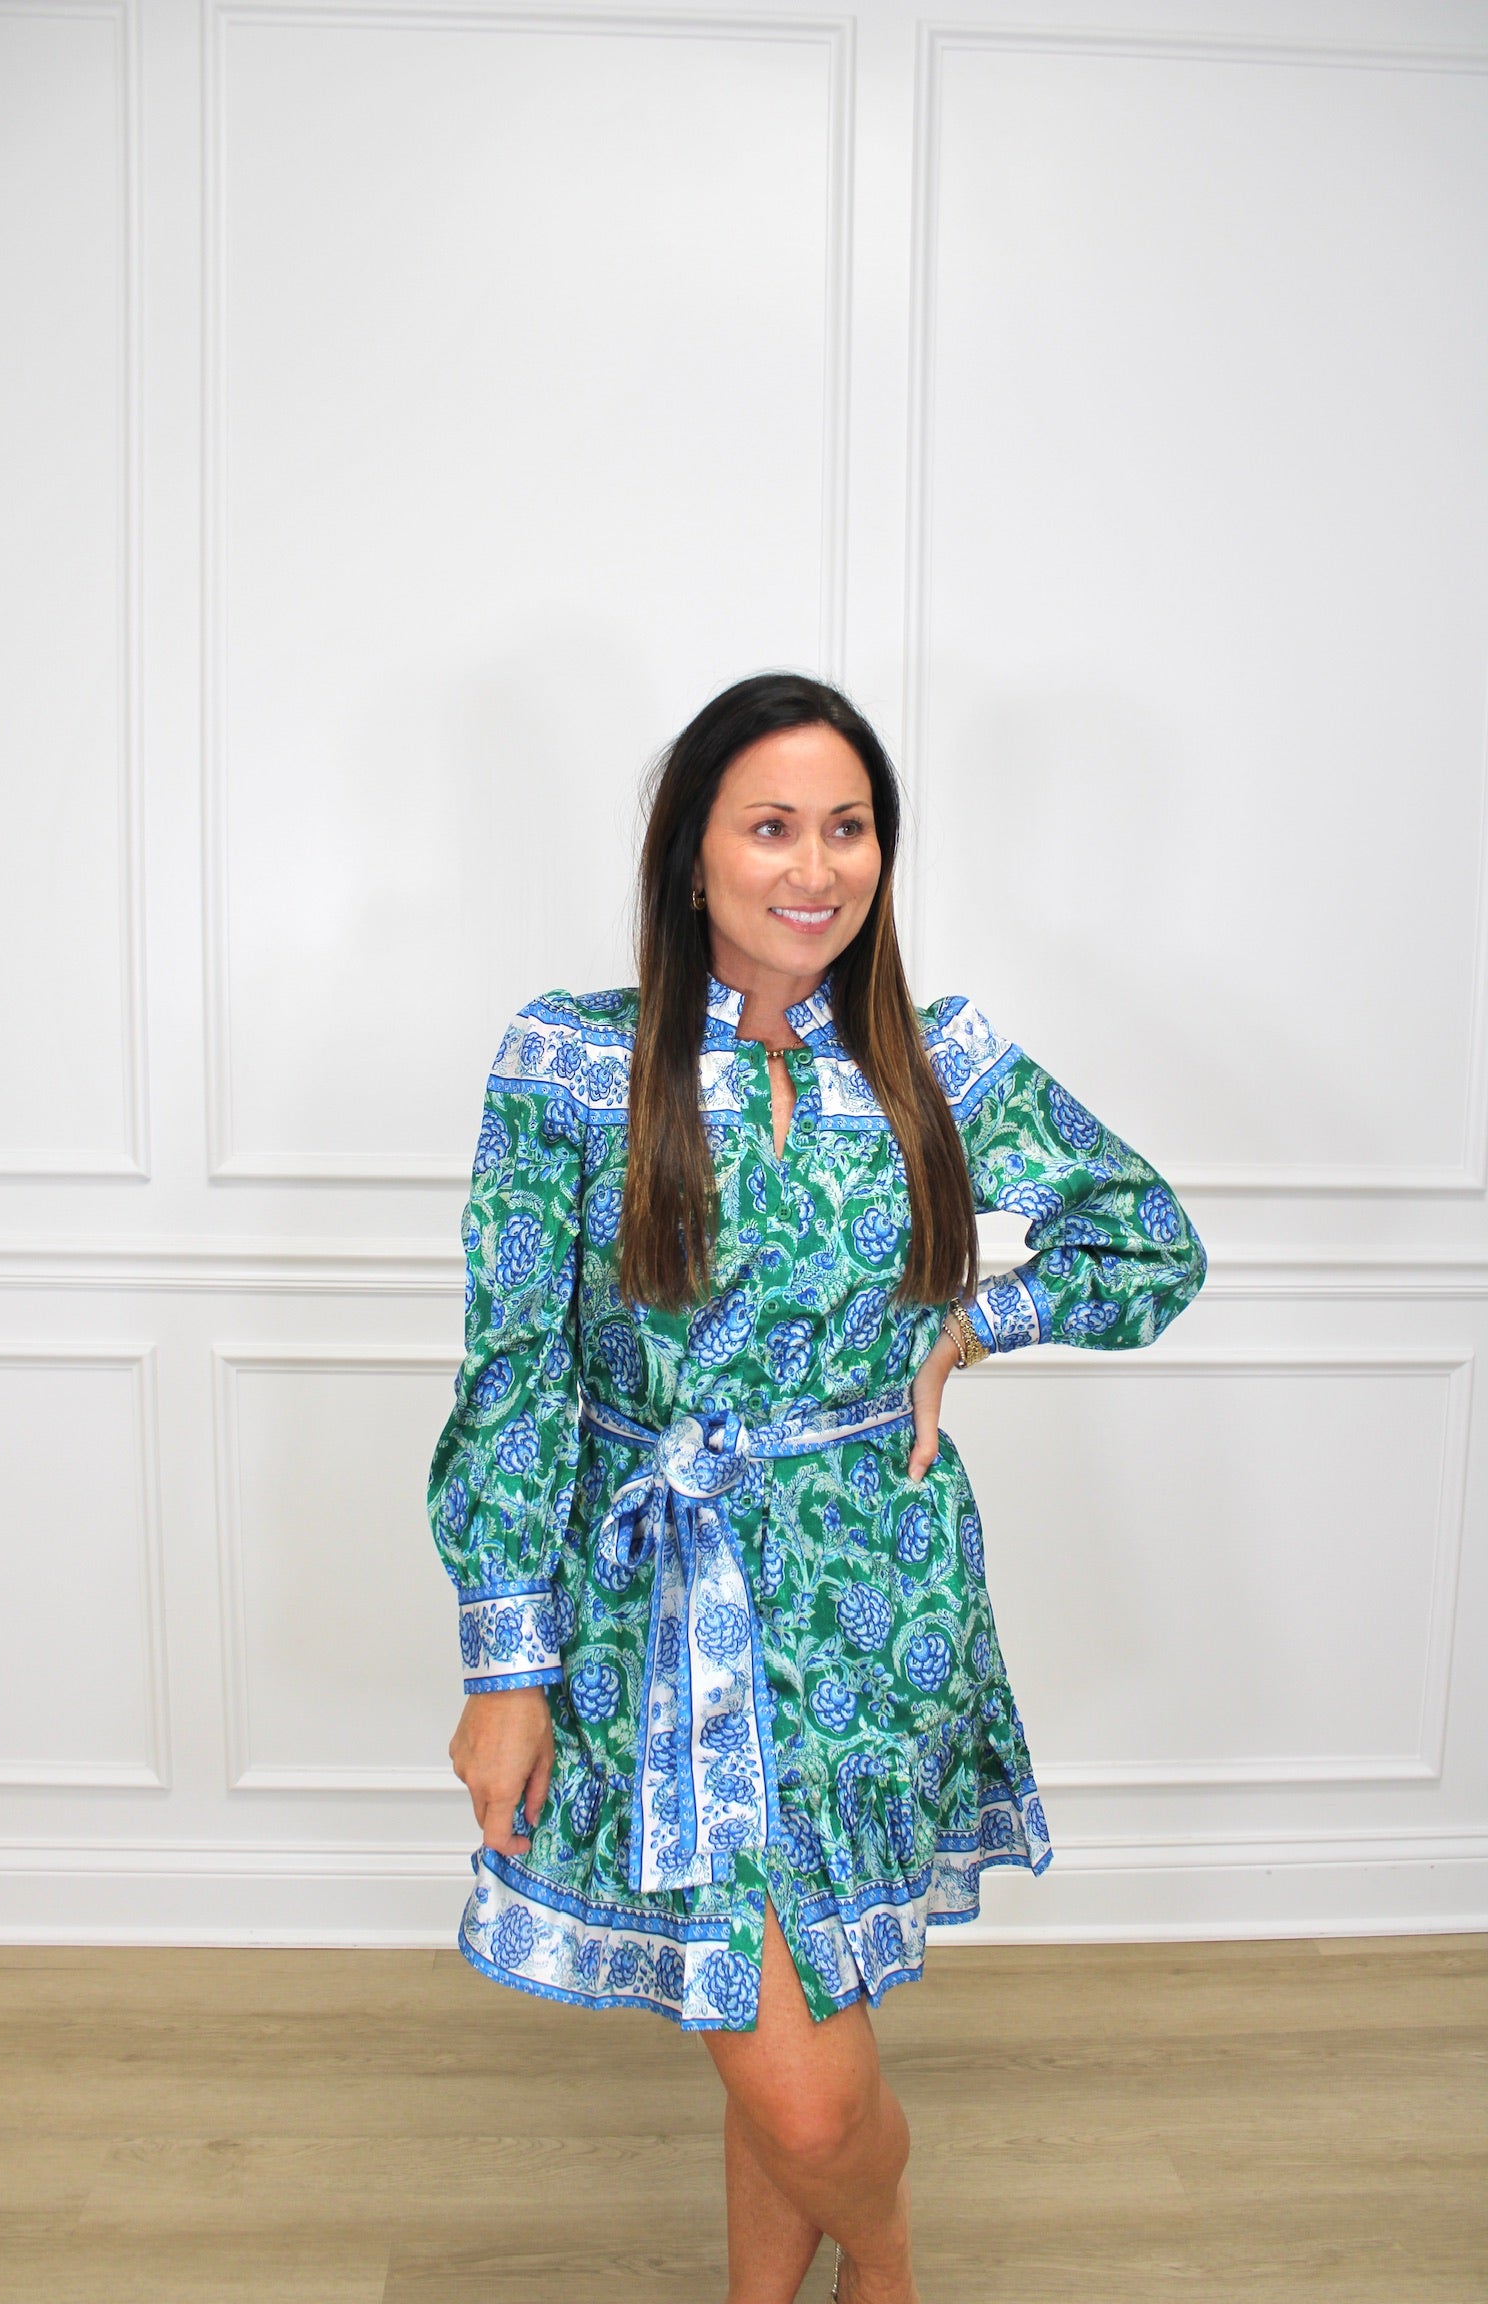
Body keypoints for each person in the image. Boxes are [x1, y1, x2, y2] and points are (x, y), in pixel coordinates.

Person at [426, 671, 1207, 2304]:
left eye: (848, 829)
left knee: (787, 2013)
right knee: (798, 2071)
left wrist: (970, 1328)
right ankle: (892, 2272)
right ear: (691, 854)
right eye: (771, 827)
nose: (815, 867)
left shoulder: (932, 1059)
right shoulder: (573, 1058)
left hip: (875, 1599)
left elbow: (1149, 1243)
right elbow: (516, 1375)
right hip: (662, 1616)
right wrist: (506, 1670)